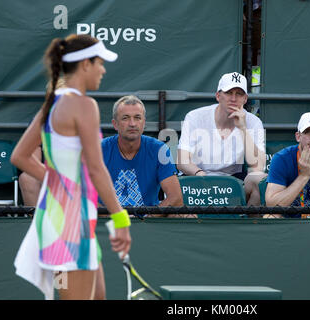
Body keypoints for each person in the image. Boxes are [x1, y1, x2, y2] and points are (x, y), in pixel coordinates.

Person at [11, 34, 131, 300]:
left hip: (61, 219)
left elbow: (19, 156)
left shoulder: (52, 104)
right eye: (99, 62)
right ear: (85, 65)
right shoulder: (83, 105)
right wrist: (120, 219)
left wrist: (60, 184)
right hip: (69, 224)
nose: (103, 69)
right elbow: (97, 169)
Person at [177, 72, 267, 206]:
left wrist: (243, 129)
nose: (233, 98)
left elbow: (258, 167)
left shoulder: (253, 122)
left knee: (260, 180)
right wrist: (202, 176)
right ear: (218, 96)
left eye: (239, 94)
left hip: (233, 181)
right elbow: (182, 161)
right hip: (196, 178)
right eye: (229, 92)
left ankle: (248, 225)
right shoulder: (195, 116)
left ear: (245, 99)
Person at [102, 95, 186, 217]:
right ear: (115, 124)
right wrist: (118, 219)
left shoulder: (159, 149)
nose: (132, 124)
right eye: (125, 118)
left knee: (183, 215)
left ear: (144, 123)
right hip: (108, 223)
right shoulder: (99, 149)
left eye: (137, 118)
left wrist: (147, 219)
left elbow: (176, 198)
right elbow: (83, 197)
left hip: (148, 223)